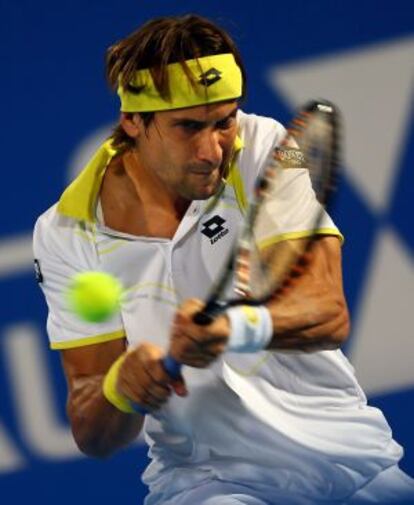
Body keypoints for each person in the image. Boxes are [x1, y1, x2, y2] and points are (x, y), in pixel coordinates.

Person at [33, 14, 414, 505]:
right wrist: (119, 388)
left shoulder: (268, 148)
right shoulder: (67, 231)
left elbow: (327, 311)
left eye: (224, 121)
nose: (212, 149)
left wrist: (234, 330)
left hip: (351, 461)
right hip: (210, 483)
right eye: (188, 127)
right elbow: (92, 430)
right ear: (133, 121)